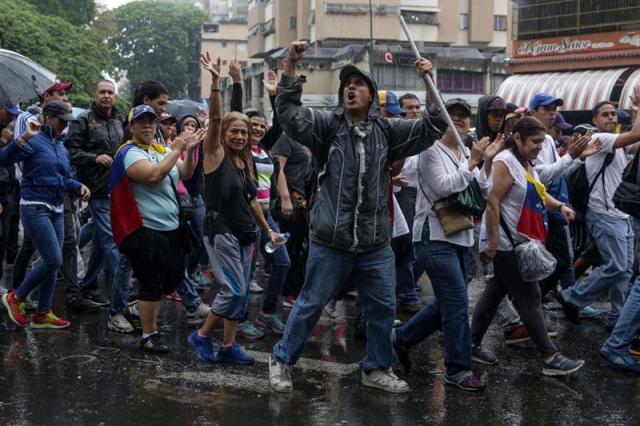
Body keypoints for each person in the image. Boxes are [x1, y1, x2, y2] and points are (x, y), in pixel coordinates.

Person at [268, 41, 444, 394]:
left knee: (383, 307)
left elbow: (433, 126)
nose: (350, 88)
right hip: (329, 241)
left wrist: (429, 81)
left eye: (358, 83)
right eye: (346, 84)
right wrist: (291, 66)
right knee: (310, 304)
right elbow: (287, 113)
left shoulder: (387, 131)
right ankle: (282, 359)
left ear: (371, 94)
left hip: (374, 242)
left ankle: (376, 367)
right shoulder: (326, 126)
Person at [393, 98, 502, 391]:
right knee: (456, 304)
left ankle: (402, 338)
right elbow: (444, 187)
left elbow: (481, 189)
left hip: (461, 235)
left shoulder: (465, 150)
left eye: (463, 116)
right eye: (451, 115)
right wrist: (473, 163)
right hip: (433, 235)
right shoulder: (429, 150)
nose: (458, 120)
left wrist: (486, 162)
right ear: (440, 121)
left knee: (447, 301)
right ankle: (457, 368)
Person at [472, 116, 585, 376]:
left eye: (541, 142)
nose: (538, 147)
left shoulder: (525, 163)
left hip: (516, 242)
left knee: (494, 292)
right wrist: (492, 242)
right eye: (535, 141)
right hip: (505, 244)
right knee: (530, 296)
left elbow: (539, 192)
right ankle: (550, 356)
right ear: (518, 138)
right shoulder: (505, 162)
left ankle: (471, 343)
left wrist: (559, 206)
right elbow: (492, 203)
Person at [187, 53, 277, 365]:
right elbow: (215, 118)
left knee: (237, 296)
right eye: (233, 131)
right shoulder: (214, 154)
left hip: (246, 234)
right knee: (234, 291)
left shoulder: (245, 160)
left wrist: (267, 231)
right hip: (220, 231)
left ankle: (227, 346)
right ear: (223, 134)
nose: (239, 135)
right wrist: (216, 81)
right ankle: (200, 336)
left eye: (243, 131)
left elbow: (251, 199)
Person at [109, 104, 202, 352]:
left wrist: (190, 151)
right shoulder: (129, 152)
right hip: (145, 230)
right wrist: (178, 148)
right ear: (132, 127)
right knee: (151, 283)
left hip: (172, 228)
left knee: (170, 281)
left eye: (151, 121)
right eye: (142, 122)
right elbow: (152, 176)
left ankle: (138, 308)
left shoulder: (161, 150)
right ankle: (149, 335)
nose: (148, 125)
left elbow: (185, 173)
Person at [1, 101, 91, 329]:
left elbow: (61, 176)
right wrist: (23, 138)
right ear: (48, 118)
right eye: (61, 121)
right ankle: (16, 297)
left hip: (57, 208)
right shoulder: (33, 138)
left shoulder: (60, 145)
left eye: (67, 121)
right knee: (53, 259)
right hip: (34, 206)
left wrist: (77, 185)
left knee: (51, 262)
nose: (64, 126)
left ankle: (43, 312)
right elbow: (3, 159)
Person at [557, 97, 640, 328]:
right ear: (594, 119)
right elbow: (635, 135)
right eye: (605, 114)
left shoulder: (616, 142)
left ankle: (617, 317)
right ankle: (571, 297)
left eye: (613, 114)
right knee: (617, 267)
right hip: (604, 215)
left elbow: (635, 140)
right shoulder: (599, 138)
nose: (611, 118)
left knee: (624, 272)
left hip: (621, 216)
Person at [66, 80, 125, 315]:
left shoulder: (121, 119)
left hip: (118, 188)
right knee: (111, 239)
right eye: (103, 92)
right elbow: (72, 152)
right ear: (95, 94)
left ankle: (88, 285)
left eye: (111, 92)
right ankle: (125, 289)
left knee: (101, 242)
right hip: (96, 189)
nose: (107, 96)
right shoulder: (83, 120)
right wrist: (94, 157)